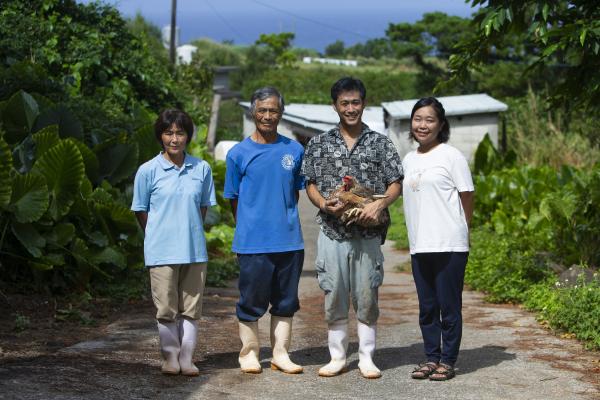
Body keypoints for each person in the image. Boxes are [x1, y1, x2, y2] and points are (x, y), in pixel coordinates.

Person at [301, 77, 403, 379]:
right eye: (344, 103)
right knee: (334, 293)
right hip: (333, 232)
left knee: (367, 294)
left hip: (368, 234)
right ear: (335, 106)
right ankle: (337, 357)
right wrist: (322, 204)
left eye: (355, 102)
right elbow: (310, 183)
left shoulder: (380, 143)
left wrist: (379, 205)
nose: (350, 108)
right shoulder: (319, 143)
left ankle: (367, 357)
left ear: (364, 104)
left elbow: (395, 182)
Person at [224, 87, 305, 375]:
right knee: (251, 300)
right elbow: (233, 197)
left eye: (273, 110)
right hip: (252, 243)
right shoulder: (238, 154)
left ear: (281, 113)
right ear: (253, 112)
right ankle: (249, 353)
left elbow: (294, 193)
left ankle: (281, 354)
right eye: (262, 110)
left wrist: (281, 217)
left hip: (289, 241)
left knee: (286, 301)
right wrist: (251, 224)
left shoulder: (294, 150)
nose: (268, 116)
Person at [131, 109, 216, 376]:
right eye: (169, 133)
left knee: (191, 309)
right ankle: (170, 357)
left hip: (194, 250)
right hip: (161, 252)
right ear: (160, 136)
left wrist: (187, 230)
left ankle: (187, 358)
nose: (174, 139)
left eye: (180, 133)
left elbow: (202, 207)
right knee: (166, 308)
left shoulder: (201, 168)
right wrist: (157, 234)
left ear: (188, 136)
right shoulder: (147, 171)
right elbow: (140, 209)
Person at [402, 97, 474, 381]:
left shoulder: (452, 156)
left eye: (429, 119)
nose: (422, 125)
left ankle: (448, 360)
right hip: (420, 245)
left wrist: (461, 229)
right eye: (418, 119)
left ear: (441, 125)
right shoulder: (408, 158)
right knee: (427, 307)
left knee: (448, 306)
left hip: (449, 244)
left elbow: (467, 195)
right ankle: (431, 357)